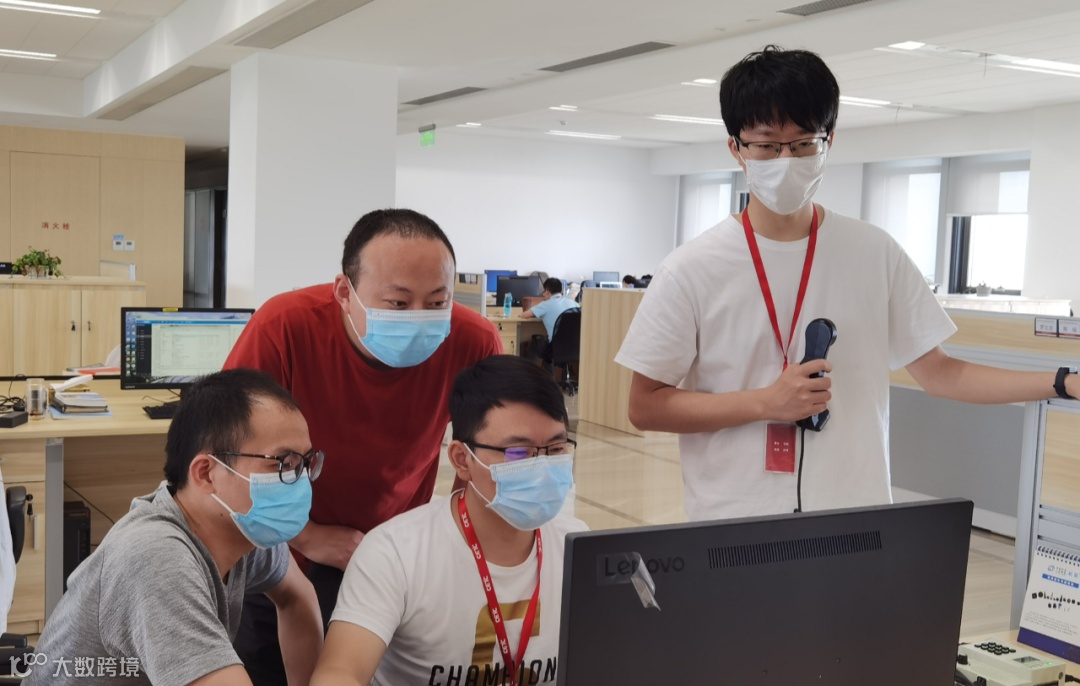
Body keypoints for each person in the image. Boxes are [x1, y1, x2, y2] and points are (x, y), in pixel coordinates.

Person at [615, 45, 1080, 521]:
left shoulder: (874, 252)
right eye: (767, 146)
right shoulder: (690, 268)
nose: (786, 159)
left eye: (803, 144)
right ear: (736, 148)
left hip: (855, 517)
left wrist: (1063, 382)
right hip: (733, 521)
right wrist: (764, 403)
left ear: (829, 141)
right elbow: (645, 406)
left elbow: (942, 373)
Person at [224, 208, 503, 684]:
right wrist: (308, 536)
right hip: (281, 547)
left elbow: (485, 453)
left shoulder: (473, 340)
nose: (420, 318)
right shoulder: (284, 326)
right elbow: (231, 454)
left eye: (438, 301)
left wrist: (452, 538)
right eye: (398, 303)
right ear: (343, 291)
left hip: (395, 553)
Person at [24, 369, 324, 686]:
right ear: (206, 474)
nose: (300, 481)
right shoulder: (157, 557)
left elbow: (297, 596)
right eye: (283, 463)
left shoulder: (244, 527)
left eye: (305, 463)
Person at [311, 355, 586, 686]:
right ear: (462, 459)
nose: (540, 467)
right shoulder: (395, 553)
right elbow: (338, 672)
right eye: (518, 453)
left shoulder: (578, 547)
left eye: (555, 450)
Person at [521, 277, 580, 365]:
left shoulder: (545, 305)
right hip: (576, 346)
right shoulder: (575, 304)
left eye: (544, 292)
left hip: (556, 348)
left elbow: (524, 315)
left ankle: (531, 370)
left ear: (547, 292)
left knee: (535, 342)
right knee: (548, 344)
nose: (543, 294)